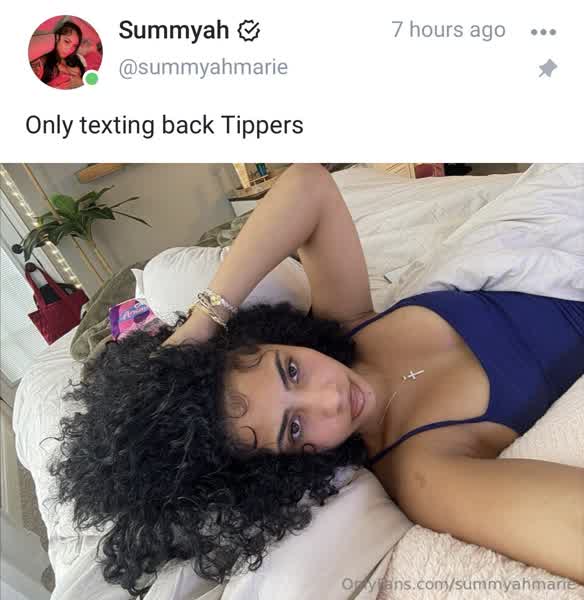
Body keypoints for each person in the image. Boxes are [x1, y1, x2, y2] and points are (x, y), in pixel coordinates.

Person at [46, 164, 584, 597]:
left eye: (291, 370)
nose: (331, 397)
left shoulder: (346, 326)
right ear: (280, 470)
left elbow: (308, 185)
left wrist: (201, 323)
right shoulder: (424, 474)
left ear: (269, 340)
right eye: (295, 427)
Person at [30, 21, 85, 89]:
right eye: (67, 41)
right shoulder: (42, 62)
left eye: (74, 46)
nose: (70, 49)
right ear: (56, 37)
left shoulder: (75, 60)